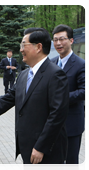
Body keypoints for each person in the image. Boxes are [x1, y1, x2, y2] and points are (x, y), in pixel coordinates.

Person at [0, 28, 69, 170]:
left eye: (24, 45)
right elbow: (7, 99)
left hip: (46, 154)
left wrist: (41, 147)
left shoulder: (55, 74)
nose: (21, 49)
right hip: (27, 151)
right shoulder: (24, 74)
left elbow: (57, 116)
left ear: (38, 47)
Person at [51, 24, 87, 170]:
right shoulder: (51, 63)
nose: (58, 43)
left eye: (62, 39)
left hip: (72, 124)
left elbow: (85, 91)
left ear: (71, 40)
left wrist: (62, 98)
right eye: (55, 40)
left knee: (71, 164)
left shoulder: (81, 64)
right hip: (52, 125)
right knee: (55, 162)